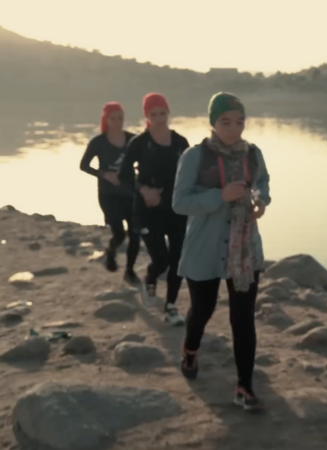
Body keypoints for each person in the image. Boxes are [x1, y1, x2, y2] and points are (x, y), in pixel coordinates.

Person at [172, 92, 270, 411]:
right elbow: (180, 202)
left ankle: (244, 386)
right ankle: (190, 348)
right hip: (205, 249)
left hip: (245, 248)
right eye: (226, 122)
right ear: (213, 123)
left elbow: (263, 184)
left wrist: (260, 201)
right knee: (203, 309)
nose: (234, 129)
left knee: (243, 319)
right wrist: (220, 196)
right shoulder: (194, 156)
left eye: (239, 122)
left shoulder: (253, 153)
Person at [118, 93, 190, 326]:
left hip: (177, 211)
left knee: (178, 260)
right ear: (147, 116)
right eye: (154, 114)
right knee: (161, 260)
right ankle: (150, 278)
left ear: (168, 114)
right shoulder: (139, 143)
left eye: (163, 113)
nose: (159, 118)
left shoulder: (180, 143)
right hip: (148, 212)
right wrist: (143, 191)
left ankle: (170, 307)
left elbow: (191, 176)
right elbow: (123, 176)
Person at [79, 102, 141, 285]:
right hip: (108, 195)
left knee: (135, 233)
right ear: (106, 119)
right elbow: (83, 166)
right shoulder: (98, 142)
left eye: (120, 118)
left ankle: (130, 271)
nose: (118, 122)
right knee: (119, 234)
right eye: (113, 118)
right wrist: (104, 174)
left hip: (130, 193)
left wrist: (138, 173)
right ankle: (111, 251)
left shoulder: (134, 140)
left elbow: (145, 162)